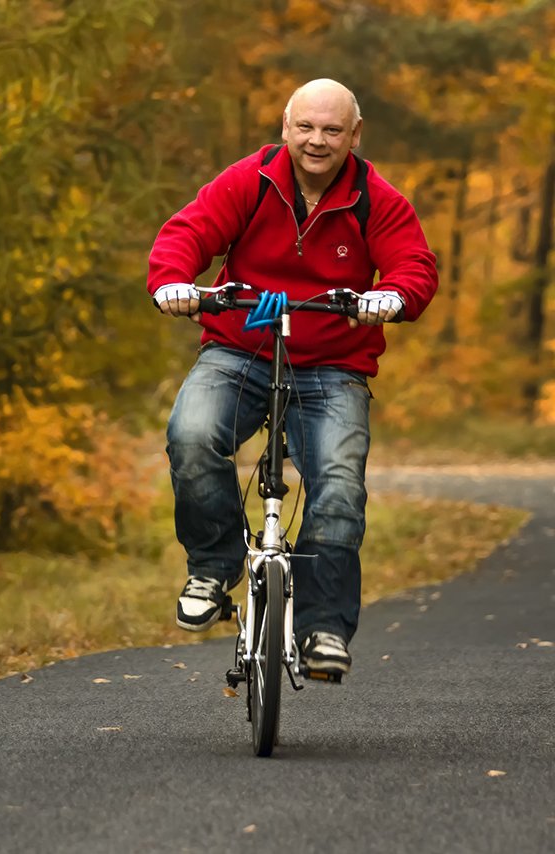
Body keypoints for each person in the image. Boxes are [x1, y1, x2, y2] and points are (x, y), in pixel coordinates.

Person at [147, 79, 437, 675]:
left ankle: (323, 628)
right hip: (241, 348)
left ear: (354, 135)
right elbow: (188, 233)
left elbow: (414, 265)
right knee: (192, 433)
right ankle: (213, 565)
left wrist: (390, 298)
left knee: (337, 482)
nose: (317, 140)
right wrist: (174, 282)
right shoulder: (249, 181)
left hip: (333, 365)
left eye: (333, 130)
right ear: (286, 127)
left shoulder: (373, 198)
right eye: (306, 127)